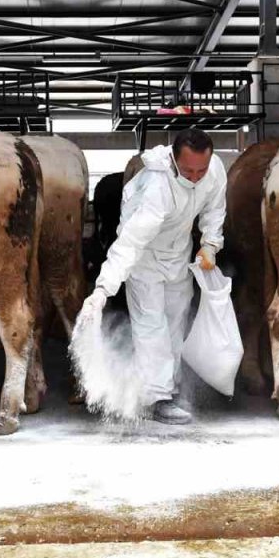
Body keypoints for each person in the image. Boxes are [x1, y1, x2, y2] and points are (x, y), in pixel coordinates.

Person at [78, 128, 226, 425]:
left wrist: (210, 243)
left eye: (201, 170)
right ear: (173, 159)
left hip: (178, 255)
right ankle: (157, 397)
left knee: (175, 321)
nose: (196, 176)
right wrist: (103, 289)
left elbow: (215, 208)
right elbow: (129, 243)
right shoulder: (155, 188)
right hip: (143, 260)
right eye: (188, 170)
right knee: (151, 326)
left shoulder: (214, 170)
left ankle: (169, 388)